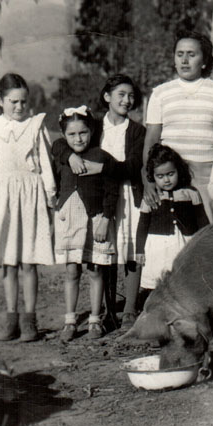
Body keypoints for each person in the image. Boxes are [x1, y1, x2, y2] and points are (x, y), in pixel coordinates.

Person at [0, 72, 56, 342]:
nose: (19, 107)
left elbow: (45, 166)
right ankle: (11, 320)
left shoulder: (36, 126)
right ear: (0, 100)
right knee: (8, 263)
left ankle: (30, 321)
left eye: (23, 102)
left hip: (31, 197)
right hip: (3, 200)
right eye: (13, 102)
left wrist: (49, 200)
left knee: (29, 262)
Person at [142, 33, 213, 223]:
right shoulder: (160, 93)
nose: (184, 60)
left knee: (209, 233)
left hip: (208, 176)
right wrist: (149, 179)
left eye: (191, 55)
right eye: (180, 54)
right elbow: (151, 140)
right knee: (176, 234)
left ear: (204, 61)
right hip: (171, 176)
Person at [52, 105, 119, 341]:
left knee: (95, 269)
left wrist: (105, 221)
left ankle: (94, 320)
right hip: (69, 219)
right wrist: (69, 155)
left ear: (91, 131)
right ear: (64, 136)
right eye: (71, 134)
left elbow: (112, 192)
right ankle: (70, 321)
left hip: (95, 219)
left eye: (83, 133)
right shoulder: (62, 156)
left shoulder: (101, 157)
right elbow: (55, 153)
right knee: (71, 270)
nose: (78, 138)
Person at [98, 74, 146, 329]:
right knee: (105, 252)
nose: (127, 100)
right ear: (107, 96)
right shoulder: (95, 128)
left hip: (129, 195)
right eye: (121, 95)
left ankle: (129, 309)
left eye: (131, 96)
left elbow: (133, 166)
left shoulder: (138, 131)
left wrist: (101, 167)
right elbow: (67, 142)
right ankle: (108, 311)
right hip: (103, 199)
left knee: (130, 250)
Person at [136, 144, 208, 292]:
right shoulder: (151, 198)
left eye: (170, 174)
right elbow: (142, 225)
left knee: (184, 281)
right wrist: (139, 250)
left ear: (178, 171)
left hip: (185, 244)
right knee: (158, 281)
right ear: (152, 176)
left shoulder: (191, 193)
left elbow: (202, 222)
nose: (166, 180)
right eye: (160, 176)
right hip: (158, 246)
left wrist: (204, 244)